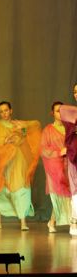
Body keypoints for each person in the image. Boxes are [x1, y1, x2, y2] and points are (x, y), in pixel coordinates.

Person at [0, 101, 41, 231]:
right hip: (1, 162)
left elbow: (34, 127)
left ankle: (23, 222)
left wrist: (24, 128)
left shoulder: (19, 124)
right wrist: (3, 140)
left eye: (6, 110)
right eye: (1, 111)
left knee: (21, 189)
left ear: (11, 110)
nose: (4, 113)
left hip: (18, 161)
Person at [40, 101, 71, 233]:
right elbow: (43, 150)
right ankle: (71, 223)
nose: (60, 113)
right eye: (57, 111)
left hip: (70, 164)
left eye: (62, 110)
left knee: (68, 194)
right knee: (60, 194)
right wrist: (59, 152)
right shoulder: (48, 130)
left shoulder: (70, 128)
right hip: (55, 167)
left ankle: (52, 221)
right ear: (52, 113)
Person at [59, 83, 77, 236]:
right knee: (75, 189)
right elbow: (62, 109)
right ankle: (74, 222)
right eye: (75, 91)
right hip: (74, 153)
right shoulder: (70, 113)